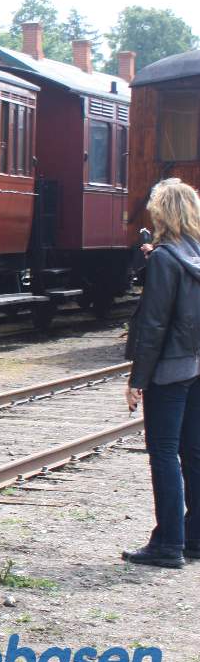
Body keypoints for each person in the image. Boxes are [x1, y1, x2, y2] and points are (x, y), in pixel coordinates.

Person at [123, 177, 200, 568]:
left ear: (161, 213)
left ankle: (168, 543)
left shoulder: (165, 260)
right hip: (197, 365)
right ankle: (195, 537)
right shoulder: (193, 255)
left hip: (169, 371)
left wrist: (138, 380)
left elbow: (153, 326)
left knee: (164, 452)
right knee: (194, 452)